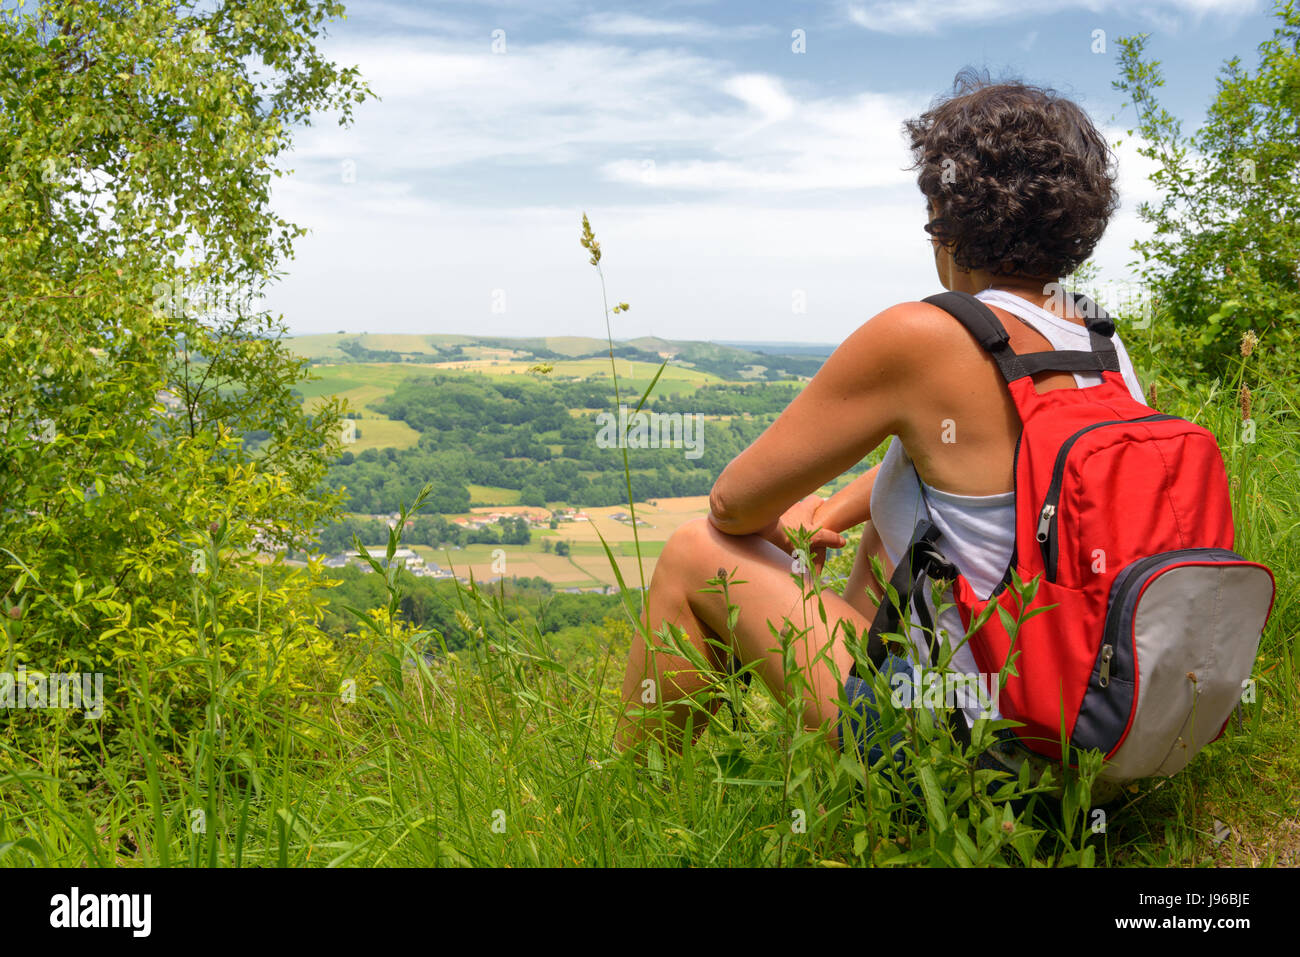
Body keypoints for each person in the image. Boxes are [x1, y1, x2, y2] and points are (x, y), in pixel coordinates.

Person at [614, 69, 1147, 768]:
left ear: (948, 223)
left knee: (693, 550)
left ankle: (627, 795)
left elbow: (732, 504)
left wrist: (779, 519)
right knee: (890, 543)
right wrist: (835, 508)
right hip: (1090, 723)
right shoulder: (1100, 344)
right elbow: (986, 471)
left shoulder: (923, 334)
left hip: (975, 753)